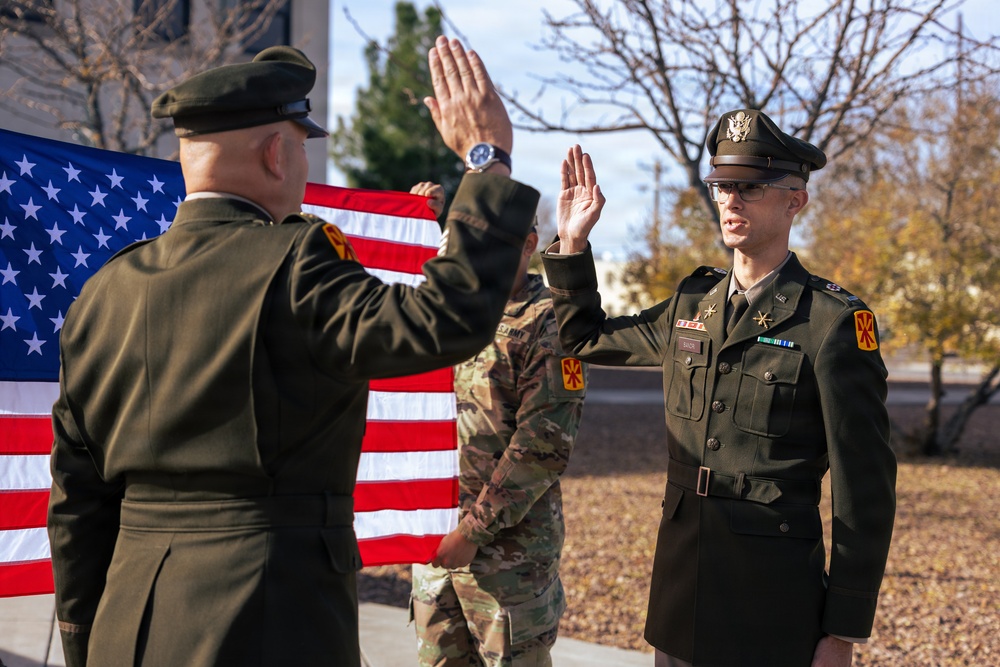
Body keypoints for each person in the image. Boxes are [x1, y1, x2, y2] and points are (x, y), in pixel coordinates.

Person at [47, 38, 539, 667]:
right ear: (276, 154)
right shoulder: (296, 261)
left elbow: (76, 494)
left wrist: (87, 638)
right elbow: (442, 321)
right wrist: (487, 161)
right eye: (303, 145)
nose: (306, 165)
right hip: (269, 620)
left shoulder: (103, 291)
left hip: (128, 625)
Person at [543, 110, 897, 667]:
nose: (729, 200)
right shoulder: (694, 304)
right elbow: (584, 339)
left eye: (749, 187)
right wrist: (571, 245)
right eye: (722, 186)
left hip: (772, 602)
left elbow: (865, 491)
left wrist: (843, 631)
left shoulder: (830, 324)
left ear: (795, 201)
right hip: (683, 588)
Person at [406, 182, 587, 666]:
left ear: (529, 245)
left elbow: (542, 445)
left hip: (508, 563)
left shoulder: (550, 320)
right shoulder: (446, 312)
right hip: (435, 551)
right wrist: (419, 224)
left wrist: (474, 530)